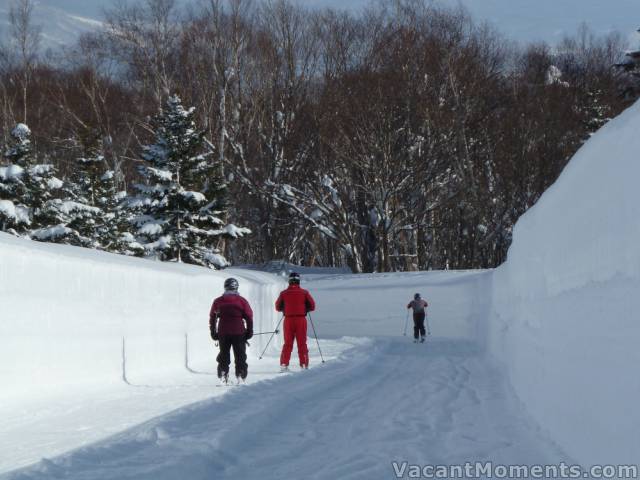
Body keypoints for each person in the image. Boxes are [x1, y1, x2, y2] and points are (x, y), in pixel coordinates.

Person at [210, 277, 253, 383]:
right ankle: (240, 375)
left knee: (224, 354)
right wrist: (249, 331)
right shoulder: (242, 301)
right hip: (239, 332)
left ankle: (223, 375)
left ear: (225, 287)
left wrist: (213, 332)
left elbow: (213, 317)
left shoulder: (218, 301)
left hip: (223, 332)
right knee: (240, 355)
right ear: (236, 287)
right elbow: (249, 317)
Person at [276, 272, 316, 371]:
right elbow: (312, 306)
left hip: (288, 320)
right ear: (298, 281)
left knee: (288, 343)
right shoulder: (304, 293)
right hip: (301, 319)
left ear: (289, 281)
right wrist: (306, 308)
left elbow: (277, 307)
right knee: (302, 343)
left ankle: (284, 365)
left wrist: (284, 308)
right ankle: (303, 365)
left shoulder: (283, 293)